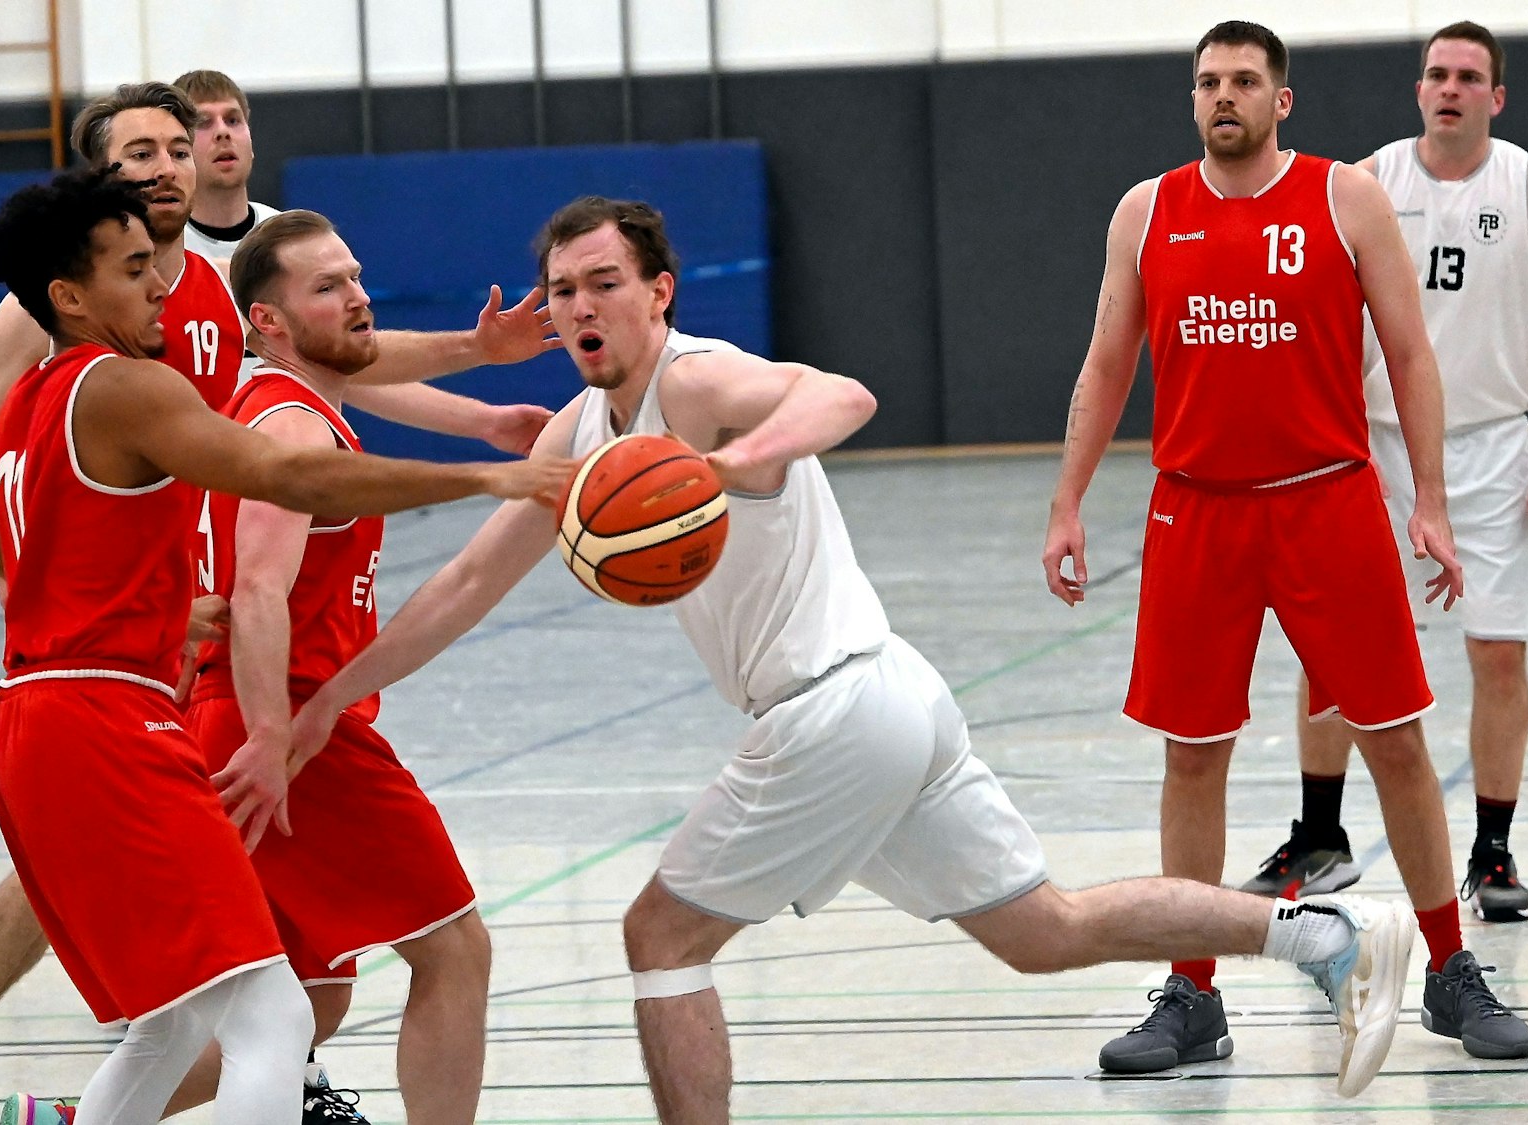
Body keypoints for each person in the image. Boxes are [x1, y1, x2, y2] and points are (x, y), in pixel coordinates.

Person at [295, 194, 1423, 1118]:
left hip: (832, 707)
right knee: (1046, 931)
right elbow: (461, 586)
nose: (581, 305)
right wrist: (325, 703)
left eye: (604, 282)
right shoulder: (577, 436)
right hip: (890, 703)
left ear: (659, 292)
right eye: (561, 291)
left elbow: (843, 391)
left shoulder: (695, 381)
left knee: (658, 935)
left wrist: (742, 459)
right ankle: (1323, 933)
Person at [0, 81, 553, 1124]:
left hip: (40, 706)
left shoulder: (29, 408)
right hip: (107, 716)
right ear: (70, 294)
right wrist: (484, 475)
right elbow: (291, 477)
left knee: (183, 1020)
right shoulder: (127, 385)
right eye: (133, 270)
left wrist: (139, 603)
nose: (160, 281)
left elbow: (5, 545)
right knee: (276, 1019)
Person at [1039, 20, 1528, 1074]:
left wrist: (1431, 502)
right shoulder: (1146, 211)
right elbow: (1104, 363)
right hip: (1195, 513)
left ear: (1281, 100)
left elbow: (1410, 354)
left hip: (1327, 502)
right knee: (1191, 754)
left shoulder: (1343, 198)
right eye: (1207, 82)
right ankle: (1192, 992)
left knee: (1393, 739)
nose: (1223, 95)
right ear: (1192, 99)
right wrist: (1066, 502)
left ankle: (1450, 968)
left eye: (1243, 81)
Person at [3, 213, 495, 1125]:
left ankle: (66, 1118)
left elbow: (17, 546)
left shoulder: (81, 402)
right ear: (267, 322)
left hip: (170, 707)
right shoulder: (272, 420)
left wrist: (482, 382)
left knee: (295, 998)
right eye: (328, 286)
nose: (358, 297)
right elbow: (261, 588)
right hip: (286, 720)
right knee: (451, 949)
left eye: (356, 277)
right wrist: (273, 735)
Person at [1238, 21, 1528, 928]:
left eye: (1468, 77)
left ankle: (1492, 849)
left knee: (1498, 651)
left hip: (1491, 447)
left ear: (1495, 97)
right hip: (1375, 448)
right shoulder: (1367, 183)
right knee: (1329, 649)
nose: (1450, 88)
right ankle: (1321, 835)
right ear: (1418, 89)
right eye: (1437, 74)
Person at [174, 69, 280, 262]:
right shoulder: (161, 250)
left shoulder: (285, 238)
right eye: (203, 122)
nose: (223, 132)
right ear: (177, 153)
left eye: (232, 120)